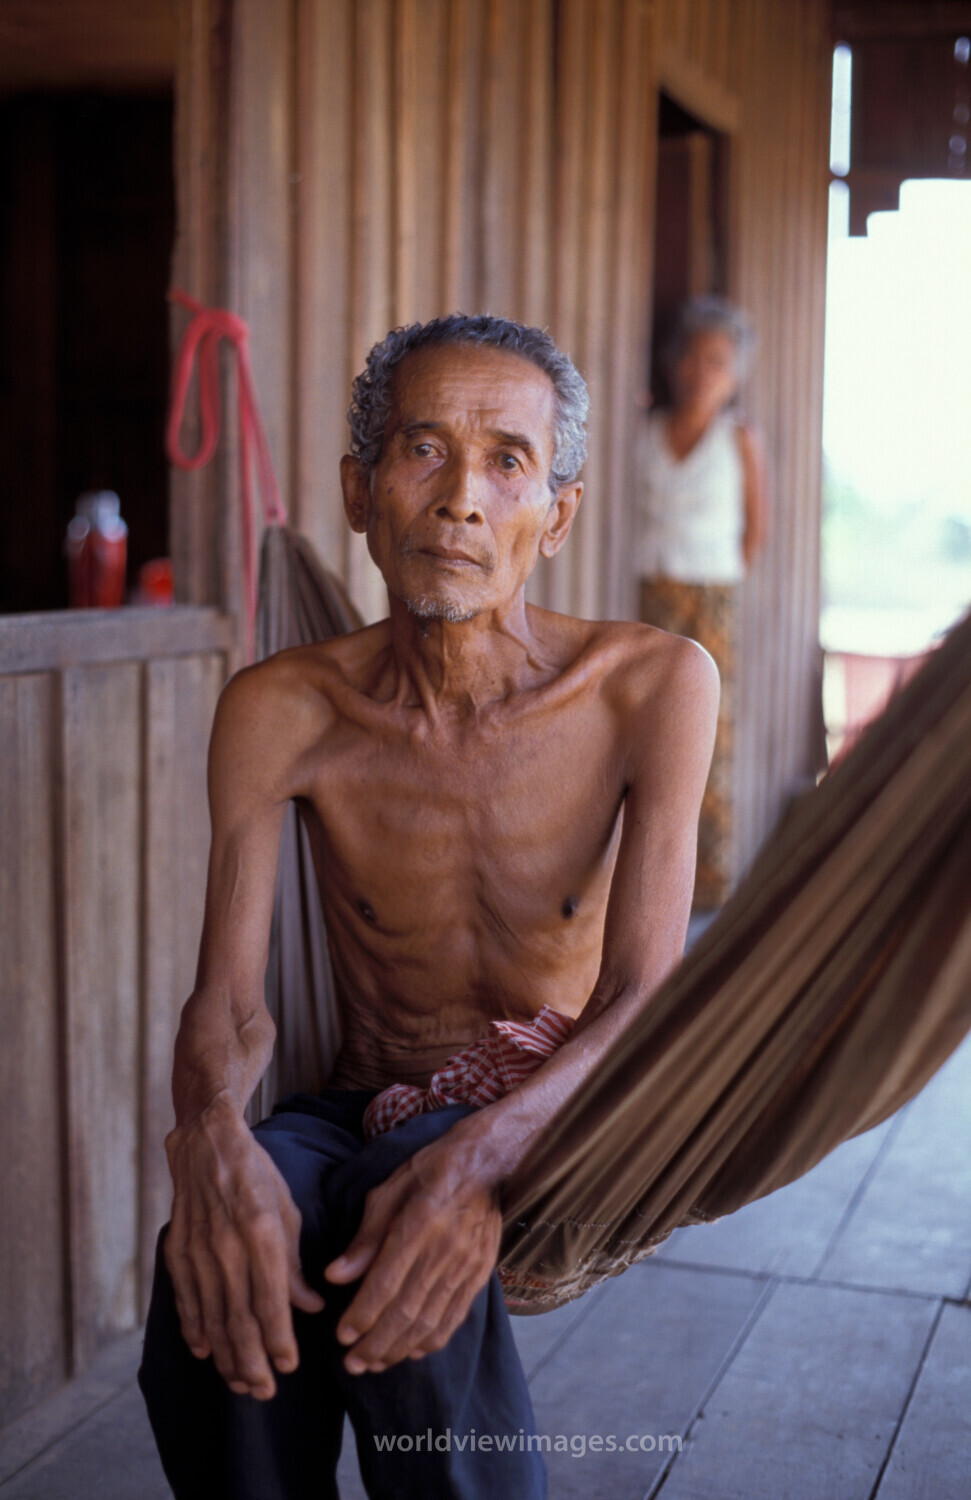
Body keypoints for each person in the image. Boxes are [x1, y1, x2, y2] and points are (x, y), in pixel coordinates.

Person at [139, 313, 719, 1499]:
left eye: (507, 459)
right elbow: (230, 1006)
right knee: (225, 1243)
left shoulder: (652, 686)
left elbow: (642, 1000)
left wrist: (481, 1159)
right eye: (421, 450)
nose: (460, 498)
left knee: (398, 1218)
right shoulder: (281, 707)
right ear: (359, 494)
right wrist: (211, 1143)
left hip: (554, 1101)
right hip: (349, 1096)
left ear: (553, 516)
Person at [637, 296, 769, 909]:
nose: (700, 372)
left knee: (706, 733)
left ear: (735, 375)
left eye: (717, 361)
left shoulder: (739, 440)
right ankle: (647, 875)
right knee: (648, 728)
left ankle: (706, 886)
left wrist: (716, 582)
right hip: (651, 594)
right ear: (670, 365)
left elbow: (756, 531)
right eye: (690, 358)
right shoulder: (646, 433)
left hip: (712, 600)